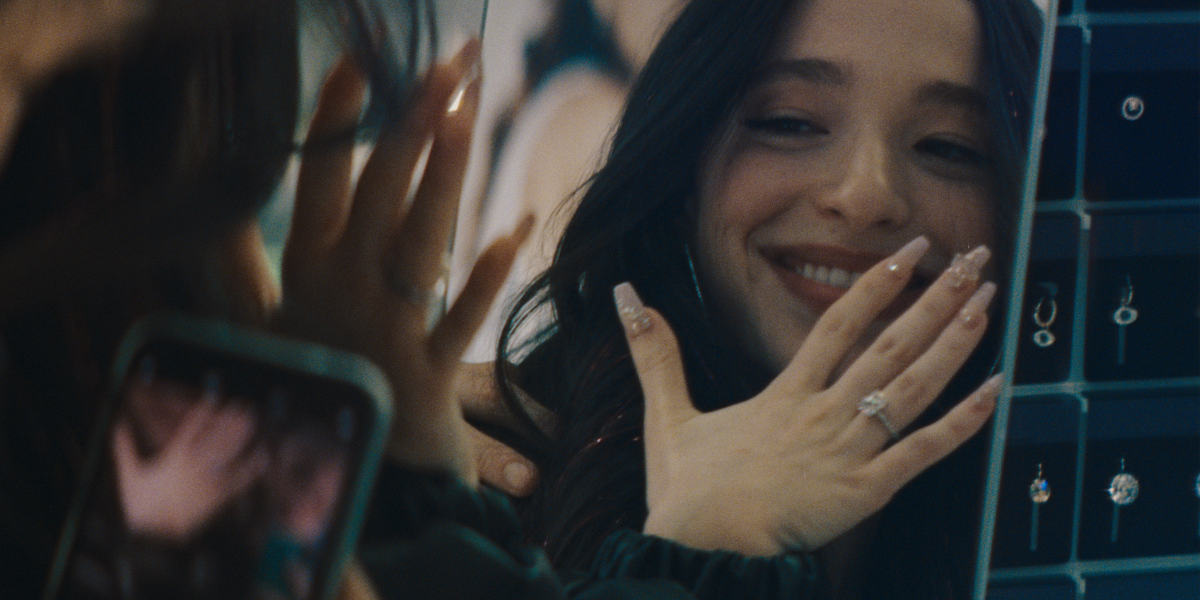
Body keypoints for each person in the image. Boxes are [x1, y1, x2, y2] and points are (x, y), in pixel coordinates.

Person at [495, 0, 1042, 598]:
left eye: (949, 146)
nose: (866, 196)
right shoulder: (491, 488)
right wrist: (700, 558)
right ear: (683, 167)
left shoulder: (1061, 510)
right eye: (791, 122)